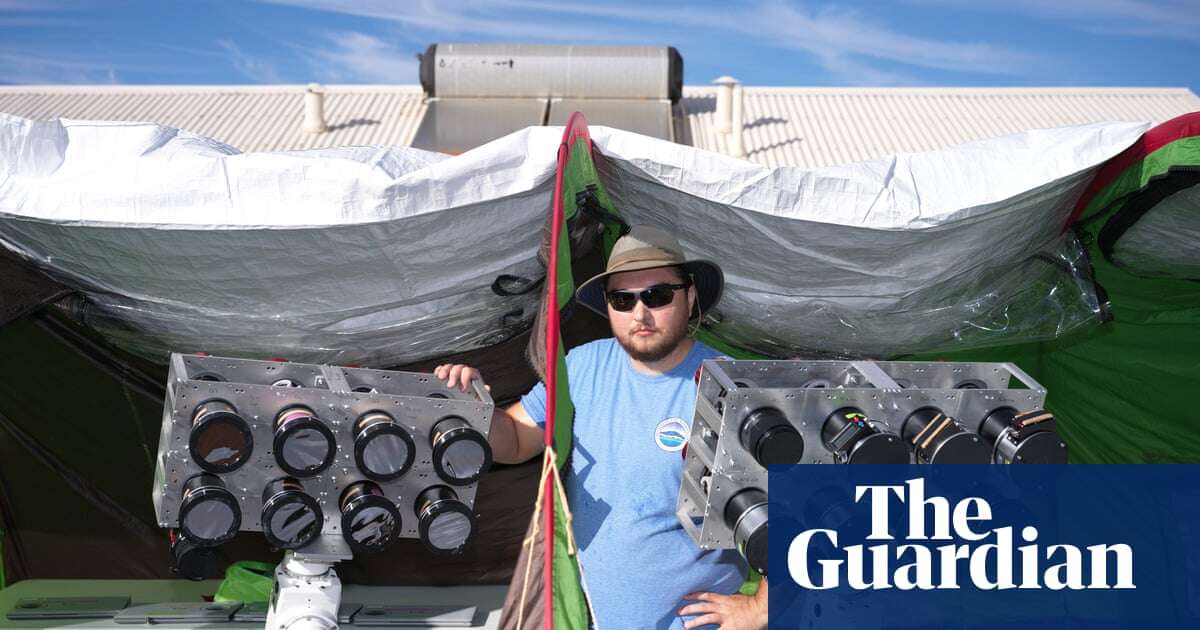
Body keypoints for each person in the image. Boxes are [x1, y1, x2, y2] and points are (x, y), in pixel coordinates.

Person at [436, 225, 767, 629]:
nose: (640, 314)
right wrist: (476, 410)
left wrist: (759, 610)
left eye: (658, 296)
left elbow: (803, 504)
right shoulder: (582, 365)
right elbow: (519, 440)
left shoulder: (731, 384)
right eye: (622, 299)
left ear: (690, 295)